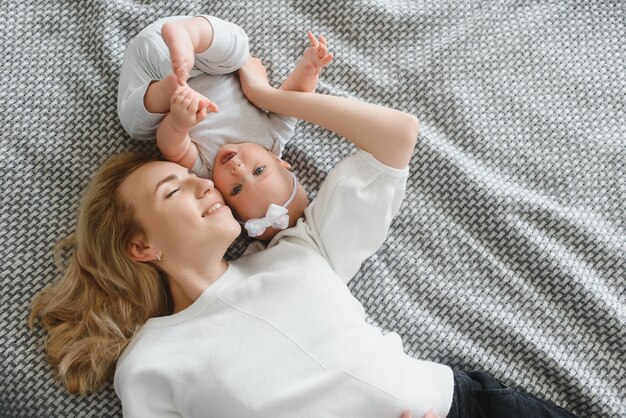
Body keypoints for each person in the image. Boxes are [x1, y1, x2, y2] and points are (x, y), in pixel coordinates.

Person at [30, 56, 577, 417]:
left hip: (466, 406)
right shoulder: (152, 364)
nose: (203, 186)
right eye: (173, 192)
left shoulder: (297, 249)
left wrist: (272, 98)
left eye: (193, 178)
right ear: (143, 248)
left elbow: (396, 135)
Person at [117, 15, 333, 240]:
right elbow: (294, 98)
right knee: (238, 51)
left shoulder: (206, 172)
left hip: (150, 74)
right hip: (199, 57)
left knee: (136, 127)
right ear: (280, 161)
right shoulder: (274, 137)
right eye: (258, 170)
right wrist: (309, 70)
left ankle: (168, 88)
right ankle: (189, 33)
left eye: (236, 189)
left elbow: (172, 147)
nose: (237, 169)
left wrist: (179, 123)